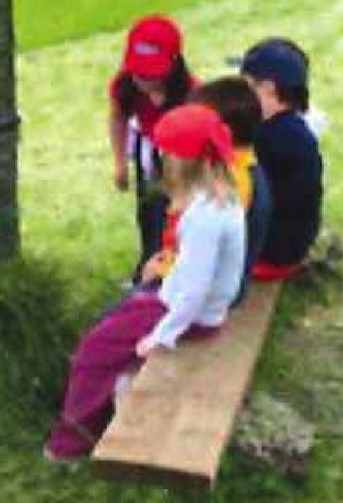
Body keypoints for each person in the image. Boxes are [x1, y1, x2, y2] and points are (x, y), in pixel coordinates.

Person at [45, 104, 244, 461]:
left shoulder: (203, 218)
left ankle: (70, 443)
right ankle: (106, 403)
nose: (160, 158)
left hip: (188, 316)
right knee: (112, 325)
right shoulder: (222, 199)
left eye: (165, 152)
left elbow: (195, 290)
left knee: (92, 352)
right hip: (190, 307)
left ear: (182, 161)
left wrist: (161, 335)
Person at [108, 15, 196, 285]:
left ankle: (171, 271)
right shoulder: (124, 86)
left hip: (180, 156)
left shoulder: (191, 92)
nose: (143, 81)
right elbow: (118, 118)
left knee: (173, 214)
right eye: (138, 73)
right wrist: (120, 162)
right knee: (148, 210)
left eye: (151, 74)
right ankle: (147, 267)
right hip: (148, 151)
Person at [239, 38, 323, 281]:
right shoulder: (290, 126)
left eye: (246, 85)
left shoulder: (274, 137)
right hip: (293, 239)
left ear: (268, 88)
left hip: (275, 250)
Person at [187, 76, 272, 303]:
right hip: (220, 282)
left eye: (195, 122)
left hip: (213, 292)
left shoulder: (233, 181)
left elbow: (207, 249)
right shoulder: (240, 163)